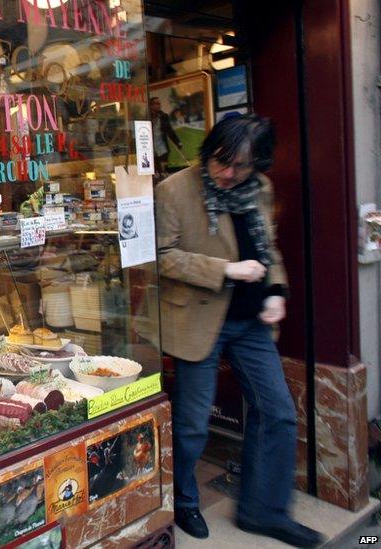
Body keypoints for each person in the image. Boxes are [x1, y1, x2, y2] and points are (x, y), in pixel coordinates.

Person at [156, 115, 323, 547]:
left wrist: (277, 290)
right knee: (193, 424)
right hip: (197, 317)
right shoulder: (174, 190)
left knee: (278, 411)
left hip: (249, 322)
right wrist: (225, 269)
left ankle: (262, 512)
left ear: (258, 165)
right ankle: (183, 500)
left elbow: (267, 248)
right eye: (221, 161)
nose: (229, 173)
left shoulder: (259, 190)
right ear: (208, 151)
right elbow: (162, 256)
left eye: (242, 166)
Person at [150, 96, 182, 175]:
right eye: (157, 104)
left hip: (162, 147)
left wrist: (177, 142)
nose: (159, 105)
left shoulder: (163, 116)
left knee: (163, 170)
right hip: (151, 149)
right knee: (154, 172)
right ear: (151, 106)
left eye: (159, 103)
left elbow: (169, 130)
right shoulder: (147, 117)